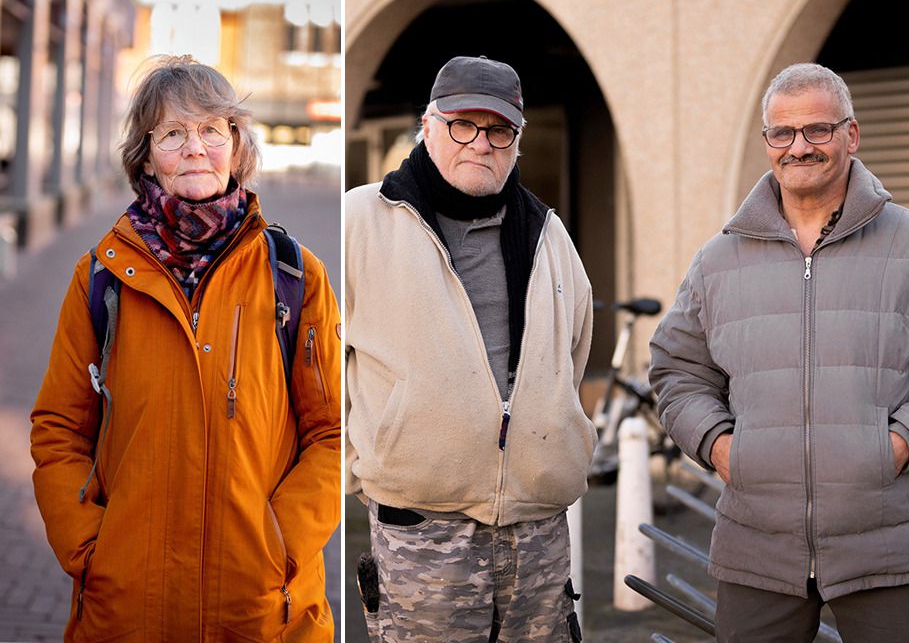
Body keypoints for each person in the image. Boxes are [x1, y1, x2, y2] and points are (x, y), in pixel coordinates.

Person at [30, 55, 341, 641]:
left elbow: (333, 432)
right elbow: (59, 429)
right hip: (128, 612)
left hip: (260, 611)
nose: (195, 148)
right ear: (146, 154)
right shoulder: (101, 276)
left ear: (236, 145)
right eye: (173, 133)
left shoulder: (295, 277)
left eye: (210, 130)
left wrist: (281, 545)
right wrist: (93, 551)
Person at [651, 62, 909, 641]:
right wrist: (722, 448)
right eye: (783, 133)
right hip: (758, 547)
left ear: (851, 135)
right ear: (767, 142)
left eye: (817, 131)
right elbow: (676, 369)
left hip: (889, 543)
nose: (799, 147)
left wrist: (899, 446)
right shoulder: (717, 260)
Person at [344, 55, 593, 642]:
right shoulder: (362, 219)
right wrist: (363, 466)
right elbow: (320, 364)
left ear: (517, 141)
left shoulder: (548, 232)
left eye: (499, 129)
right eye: (463, 125)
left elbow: (574, 353)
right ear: (428, 126)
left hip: (537, 532)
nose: (481, 143)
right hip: (422, 535)